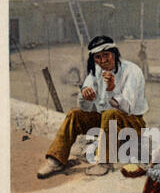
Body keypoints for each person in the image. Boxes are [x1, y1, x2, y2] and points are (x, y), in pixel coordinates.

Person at [37, 35, 149, 178]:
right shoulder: (96, 71)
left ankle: (104, 162)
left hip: (132, 124)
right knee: (74, 114)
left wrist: (111, 89)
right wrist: (85, 94)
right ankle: (56, 160)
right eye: (98, 57)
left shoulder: (132, 71)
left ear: (114, 53)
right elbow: (84, 107)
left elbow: (127, 107)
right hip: (106, 123)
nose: (103, 61)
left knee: (110, 114)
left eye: (106, 55)